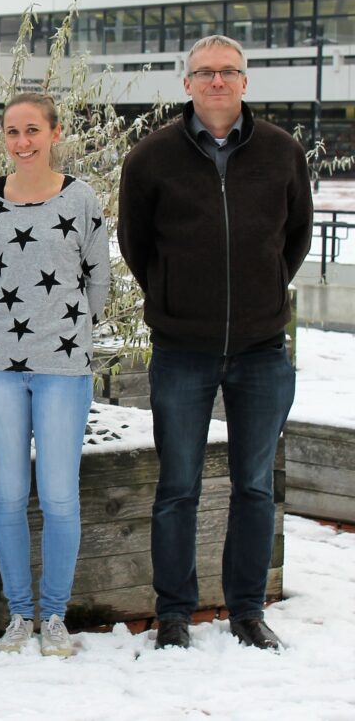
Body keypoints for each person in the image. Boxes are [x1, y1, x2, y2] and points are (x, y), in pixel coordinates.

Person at [118, 36, 312, 651]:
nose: (218, 81)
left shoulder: (282, 152)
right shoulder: (151, 157)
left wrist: (262, 294)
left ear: (246, 82)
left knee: (255, 486)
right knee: (179, 485)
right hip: (182, 348)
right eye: (205, 72)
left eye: (229, 71)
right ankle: (174, 612)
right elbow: (136, 245)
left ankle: (247, 610)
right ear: (188, 84)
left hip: (261, 348)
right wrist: (176, 299)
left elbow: (296, 239)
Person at [0, 93, 110, 657]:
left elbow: (97, 277)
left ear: (54, 133)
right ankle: (19, 613)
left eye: (32, 130)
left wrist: (67, 331)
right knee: (6, 495)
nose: (22, 141)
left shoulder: (81, 199)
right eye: (11, 131)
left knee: (57, 496)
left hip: (62, 366)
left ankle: (54, 614)